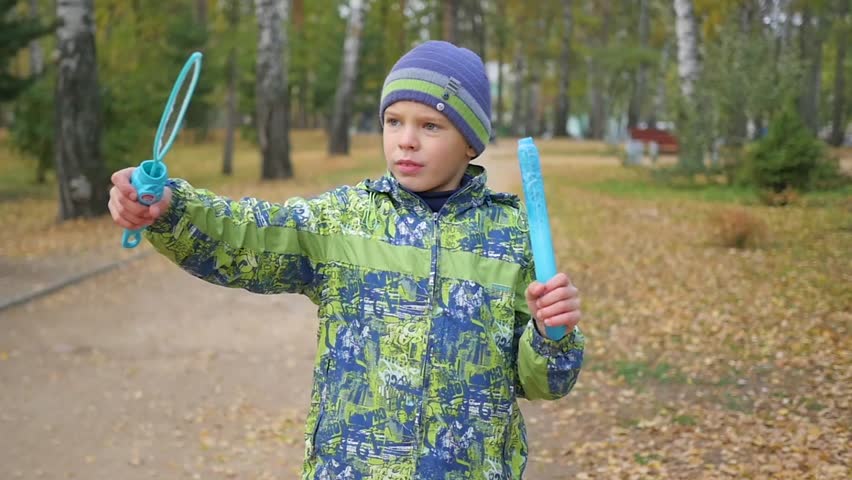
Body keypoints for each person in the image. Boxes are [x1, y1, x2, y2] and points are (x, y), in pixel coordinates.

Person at [108, 40, 584, 479]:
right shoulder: (346, 220)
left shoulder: (510, 235)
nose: (406, 140)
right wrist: (172, 208)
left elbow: (540, 382)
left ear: (470, 142)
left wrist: (549, 337)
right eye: (394, 121)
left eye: (430, 125)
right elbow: (249, 235)